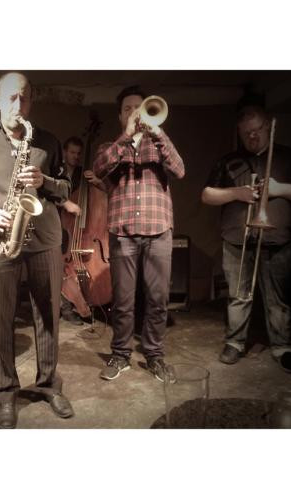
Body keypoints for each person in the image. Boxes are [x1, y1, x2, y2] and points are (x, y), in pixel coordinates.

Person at [0, 72, 74, 428]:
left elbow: (66, 189)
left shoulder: (49, 142)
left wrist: (46, 181)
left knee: (49, 316)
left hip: (45, 239)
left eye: (23, 97)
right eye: (11, 97)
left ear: (31, 101)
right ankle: (5, 393)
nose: (18, 104)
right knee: (1, 319)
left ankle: (48, 385)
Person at [201, 104, 291, 366]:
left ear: (268, 127)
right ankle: (235, 342)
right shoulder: (228, 161)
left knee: (277, 298)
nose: (252, 136)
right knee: (238, 295)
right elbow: (207, 195)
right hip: (237, 240)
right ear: (239, 132)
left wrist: (279, 189)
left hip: (278, 239)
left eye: (257, 130)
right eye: (246, 132)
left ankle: (281, 346)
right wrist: (236, 193)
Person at [93, 86, 185, 381]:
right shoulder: (110, 146)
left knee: (158, 299)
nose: (134, 112)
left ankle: (155, 355)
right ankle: (120, 355)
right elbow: (99, 168)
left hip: (158, 229)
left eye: (139, 107)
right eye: (127, 108)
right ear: (120, 116)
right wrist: (126, 137)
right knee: (122, 301)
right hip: (123, 232)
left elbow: (180, 170)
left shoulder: (159, 144)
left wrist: (157, 132)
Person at [59, 136, 105, 326]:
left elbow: (103, 193)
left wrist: (98, 182)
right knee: (59, 266)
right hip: (61, 225)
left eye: (79, 153)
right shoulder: (57, 171)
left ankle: (89, 301)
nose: (76, 157)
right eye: (72, 152)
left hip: (82, 231)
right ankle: (66, 308)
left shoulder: (83, 174)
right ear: (64, 152)